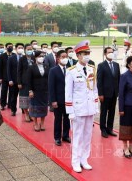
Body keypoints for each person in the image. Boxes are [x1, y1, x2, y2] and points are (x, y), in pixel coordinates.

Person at [65, 40, 99, 173]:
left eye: (88, 53)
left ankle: (84, 159)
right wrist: (70, 111)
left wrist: (96, 107)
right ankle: (75, 161)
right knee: (77, 136)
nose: (87, 56)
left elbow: (94, 89)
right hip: (78, 110)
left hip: (89, 108)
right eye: (84, 53)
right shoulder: (72, 71)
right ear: (78, 55)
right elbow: (68, 93)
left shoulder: (92, 69)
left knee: (87, 136)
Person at [97, 47, 120, 138]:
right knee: (104, 112)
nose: (111, 53)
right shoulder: (101, 65)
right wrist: (100, 94)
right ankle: (103, 129)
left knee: (112, 112)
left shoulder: (116, 65)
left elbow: (118, 79)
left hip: (114, 93)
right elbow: (99, 81)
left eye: (112, 52)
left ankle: (109, 129)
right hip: (105, 94)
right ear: (105, 54)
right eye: (109, 52)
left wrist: (118, 92)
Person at [49, 50, 71, 146]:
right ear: (58, 58)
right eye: (63, 56)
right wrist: (53, 100)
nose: (65, 58)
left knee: (67, 119)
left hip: (68, 99)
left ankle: (65, 136)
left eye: (66, 56)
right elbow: (51, 87)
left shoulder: (70, 69)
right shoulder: (53, 70)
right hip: (58, 100)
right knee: (58, 119)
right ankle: (57, 137)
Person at [27, 51, 49, 131]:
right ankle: (35, 123)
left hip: (44, 91)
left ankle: (42, 123)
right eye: (39, 56)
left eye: (43, 56)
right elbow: (29, 80)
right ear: (35, 57)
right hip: (35, 91)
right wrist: (30, 90)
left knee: (44, 107)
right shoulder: (31, 67)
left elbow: (48, 78)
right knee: (35, 107)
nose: (41, 58)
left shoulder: (46, 66)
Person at [18, 44, 35, 122]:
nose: (29, 50)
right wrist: (19, 82)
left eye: (31, 49)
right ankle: (26, 114)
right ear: (25, 50)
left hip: (33, 82)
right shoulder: (22, 59)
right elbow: (19, 71)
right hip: (24, 82)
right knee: (24, 99)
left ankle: (31, 114)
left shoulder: (34, 58)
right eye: (28, 49)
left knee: (32, 99)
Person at [7, 43, 24, 116]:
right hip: (14, 81)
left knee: (23, 96)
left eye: (22, 48)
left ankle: (24, 109)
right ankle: (13, 110)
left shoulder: (24, 58)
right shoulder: (11, 58)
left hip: (23, 81)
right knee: (14, 96)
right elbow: (8, 70)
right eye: (19, 47)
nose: (20, 49)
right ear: (16, 49)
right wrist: (10, 79)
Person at [0, 43, 14, 110]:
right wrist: (0, 77)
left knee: (12, 92)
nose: (10, 48)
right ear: (6, 47)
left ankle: (10, 104)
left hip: (12, 77)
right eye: (9, 47)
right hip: (4, 77)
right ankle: (2, 104)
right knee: (4, 91)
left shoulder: (14, 55)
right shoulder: (2, 56)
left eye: (11, 46)